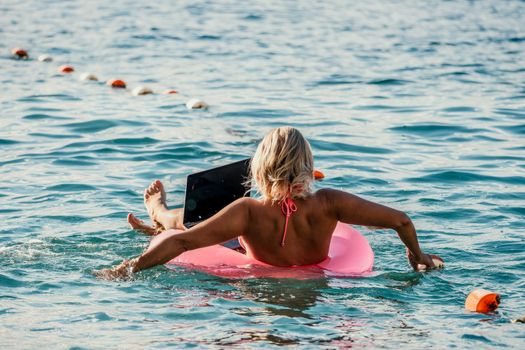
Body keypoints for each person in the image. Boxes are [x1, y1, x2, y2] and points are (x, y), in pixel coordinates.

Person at [96, 126, 443, 279]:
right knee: (200, 228)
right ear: (309, 166)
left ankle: (157, 215)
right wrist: (418, 255)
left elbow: (185, 242)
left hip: (257, 293)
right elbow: (401, 220)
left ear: (259, 168)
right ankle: (156, 217)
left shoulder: (248, 211)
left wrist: (126, 269)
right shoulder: (330, 203)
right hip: (317, 300)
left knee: (191, 225)